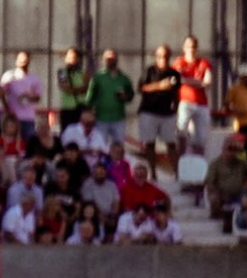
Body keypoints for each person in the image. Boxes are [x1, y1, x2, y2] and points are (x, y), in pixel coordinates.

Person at [137, 44, 182, 174]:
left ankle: (177, 173)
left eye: (166, 56)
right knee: (150, 144)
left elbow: (177, 93)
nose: (163, 59)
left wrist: (176, 109)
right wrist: (159, 86)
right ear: (156, 57)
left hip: (167, 113)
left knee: (171, 144)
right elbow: (141, 88)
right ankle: (152, 172)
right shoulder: (149, 70)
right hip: (149, 112)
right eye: (160, 56)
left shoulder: (174, 74)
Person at [173, 35, 213, 158]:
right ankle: (180, 162)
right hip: (185, 101)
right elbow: (179, 79)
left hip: (202, 104)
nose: (191, 49)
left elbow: (208, 82)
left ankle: (199, 163)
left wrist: (189, 81)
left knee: (201, 137)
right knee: (181, 133)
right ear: (184, 47)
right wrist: (198, 82)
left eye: (193, 46)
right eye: (189, 46)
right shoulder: (179, 62)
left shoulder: (204, 62)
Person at [88, 49, 135, 149]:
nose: (110, 61)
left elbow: (131, 96)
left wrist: (125, 97)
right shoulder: (98, 77)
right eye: (107, 59)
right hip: (101, 118)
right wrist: (89, 111)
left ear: (117, 59)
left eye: (112, 58)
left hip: (118, 118)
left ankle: (117, 165)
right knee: (100, 146)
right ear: (103, 60)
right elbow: (90, 97)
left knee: (119, 147)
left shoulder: (124, 78)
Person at [0, 51, 40, 141]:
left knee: (29, 142)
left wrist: (28, 96)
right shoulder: (9, 76)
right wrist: (6, 108)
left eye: (25, 58)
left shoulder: (34, 78)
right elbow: (1, 93)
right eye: (21, 58)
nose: (23, 61)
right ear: (16, 60)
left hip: (28, 118)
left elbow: (38, 97)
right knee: (11, 141)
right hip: (13, 118)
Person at [203, 132, 245, 224]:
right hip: (221, 195)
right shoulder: (215, 164)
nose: (231, 152)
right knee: (214, 198)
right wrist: (217, 192)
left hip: (237, 194)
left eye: (234, 150)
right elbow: (209, 182)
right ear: (223, 149)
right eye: (229, 149)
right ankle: (218, 214)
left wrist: (241, 149)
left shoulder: (241, 164)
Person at [55, 47, 91, 128]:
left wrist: (74, 89)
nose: (71, 60)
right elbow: (65, 87)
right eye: (69, 57)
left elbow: (87, 88)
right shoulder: (62, 72)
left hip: (81, 107)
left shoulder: (82, 73)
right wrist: (79, 89)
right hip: (67, 108)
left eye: (74, 58)